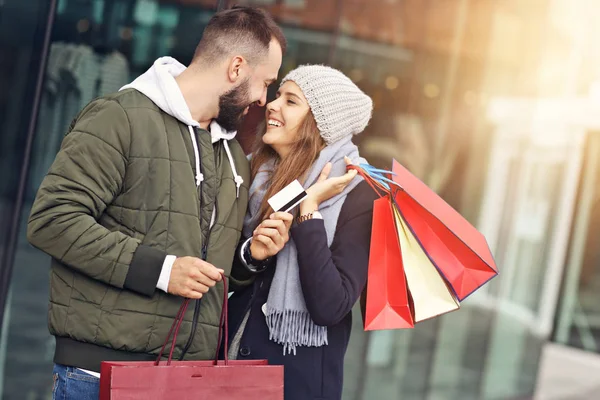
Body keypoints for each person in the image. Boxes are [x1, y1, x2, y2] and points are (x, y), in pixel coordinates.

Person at [26, 6, 286, 399]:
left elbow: (202, 266)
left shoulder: (232, 155)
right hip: (99, 375)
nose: (264, 100)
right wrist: (163, 271)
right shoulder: (119, 117)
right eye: (264, 83)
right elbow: (52, 220)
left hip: (182, 380)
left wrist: (250, 256)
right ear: (236, 68)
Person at [227, 65, 378, 400]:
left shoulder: (357, 193)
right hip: (227, 365)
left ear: (320, 124)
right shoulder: (254, 173)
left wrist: (309, 214)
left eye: (290, 100)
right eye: (277, 94)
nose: (273, 105)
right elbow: (225, 269)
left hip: (293, 383)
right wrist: (253, 255)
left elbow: (330, 305)